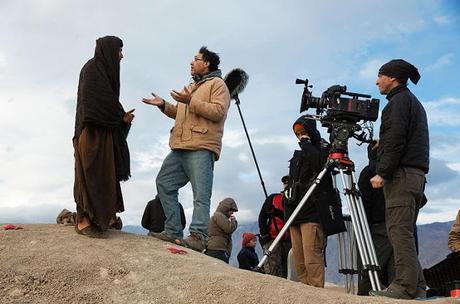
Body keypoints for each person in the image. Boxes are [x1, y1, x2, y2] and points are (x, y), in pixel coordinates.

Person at [142, 46, 231, 251]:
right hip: (180, 146)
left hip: (201, 146)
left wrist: (190, 100)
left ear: (207, 63)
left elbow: (218, 112)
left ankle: (198, 237)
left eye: (196, 59)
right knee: (164, 182)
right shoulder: (191, 87)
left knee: (200, 194)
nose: (191, 63)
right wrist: (164, 104)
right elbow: (182, 114)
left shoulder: (218, 85)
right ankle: (172, 230)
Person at [369, 59, 429, 299]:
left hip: (402, 176)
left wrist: (382, 172)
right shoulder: (412, 102)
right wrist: (383, 143)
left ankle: (404, 286)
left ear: (392, 78)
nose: (377, 81)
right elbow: (404, 136)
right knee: (404, 230)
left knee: (398, 231)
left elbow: (396, 140)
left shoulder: (397, 103)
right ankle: (419, 286)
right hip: (415, 176)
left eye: (380, 76)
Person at [73, 36, 134, 238]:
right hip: (90, 133)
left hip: (104, 132)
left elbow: (108, 103)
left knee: (105, 175)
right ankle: (83, 221)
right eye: (119, 51)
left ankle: (104, 218)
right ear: (109, 50)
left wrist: (122, 119)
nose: (121, 56)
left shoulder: (105, 73)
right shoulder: (92, 70)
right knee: (89, 174)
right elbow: (92, 103)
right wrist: (118, 114)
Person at [285, 116, 332, 288]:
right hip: (295, 212)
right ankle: (305, 293)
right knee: (299, 259)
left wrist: (306, 144)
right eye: (297, 133)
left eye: (303, 132)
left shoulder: (322, 147)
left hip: (313, 211)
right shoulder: (297, 155)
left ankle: (316, 294)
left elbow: (320, 165)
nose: (300, 136)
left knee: (312, 256)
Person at [357, 141, 394, 295]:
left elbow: (365, 204)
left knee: (371, 265)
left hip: (378, 226)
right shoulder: (394, 168)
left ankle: (364, 295)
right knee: (395, 264)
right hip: (398, 222)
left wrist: (365, 226)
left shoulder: (368, 172)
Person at [258, 175, 291, 278]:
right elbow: (262, 216)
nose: (286, 184)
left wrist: (276, 212)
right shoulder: (273, 198)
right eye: (285, 182)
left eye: (288, 182)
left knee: (289, 270)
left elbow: (291, 217)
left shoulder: (296, 200)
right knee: (272, 269)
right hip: (273, 239)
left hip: (290, 241)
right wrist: (265, 234)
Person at [205, 198, 238, 262]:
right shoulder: (219, 215)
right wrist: (234, 221)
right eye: (231, 210)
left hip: (217, 249)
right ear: (226, 208)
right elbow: (229, 228)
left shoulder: (220, 216)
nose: (232, 213)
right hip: (217, 250)